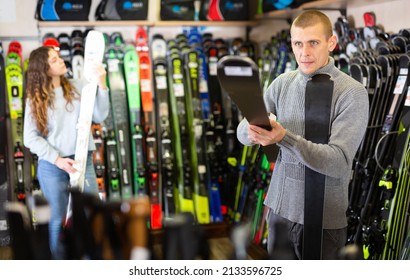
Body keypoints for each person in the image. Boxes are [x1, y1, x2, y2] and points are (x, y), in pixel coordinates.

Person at [237, 10, 369, 259]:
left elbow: (339, 161)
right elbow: (242, 134)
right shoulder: (282, 83)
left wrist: (282, 137)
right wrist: (252, 130)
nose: (304, 52)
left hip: (323, 221)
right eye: (298, 43)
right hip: (279, 213)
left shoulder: (352, 93)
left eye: (313, 43)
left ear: (331, 43)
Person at [24, 46, 109, 259]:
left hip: (82, 161)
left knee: (89, 213)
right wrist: (57, 159)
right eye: (54, 60)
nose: (61, 60)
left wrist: (102, 84)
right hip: (52, 166)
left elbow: (99, 115)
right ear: (44, 68)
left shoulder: (77, 86)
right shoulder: (35, 99)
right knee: (57, 218)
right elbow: (30, 138)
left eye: (59, 57)